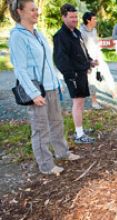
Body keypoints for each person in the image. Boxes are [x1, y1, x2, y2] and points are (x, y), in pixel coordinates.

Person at [8, 0, 80, 175]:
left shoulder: (38, 34)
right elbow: (20, 68)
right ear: (20, 11)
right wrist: (33, 94)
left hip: (51, 86)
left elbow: (48, 61)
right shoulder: (17, 36)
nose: (36, 13)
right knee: (41, 130)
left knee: (57, 123)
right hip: (37, 91)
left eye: (36, 10)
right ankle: (47, 165)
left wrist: (57, 81)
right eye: (32, 10)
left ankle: (62, 152)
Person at [53, 3, 96, 144]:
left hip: (82, 72)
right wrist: (71, 76)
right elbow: (59, 60)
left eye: (76, 17)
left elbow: (82, 50)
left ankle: (80, 128)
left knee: (81, 102)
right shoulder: (60, 36)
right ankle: (79, 135)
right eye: (71, 17)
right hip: (73, 76)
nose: (75, 19)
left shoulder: (76, 32)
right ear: (63, 17)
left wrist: (89, 61)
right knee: (77, 103)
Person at [80, 12, 117, 109]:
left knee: (107, 73)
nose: (96, 21)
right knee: (92, 81)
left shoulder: (93, 30)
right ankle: (94, 102)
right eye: (94, 19)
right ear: (88, 20)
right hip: (90, 61)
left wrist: (98, 55)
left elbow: (96, 43)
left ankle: (114, 92)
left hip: (99, 57)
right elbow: (81, 49)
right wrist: (88, 61)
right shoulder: (81, 32)